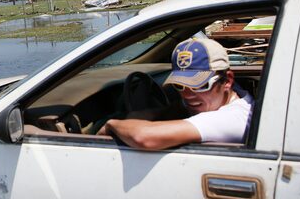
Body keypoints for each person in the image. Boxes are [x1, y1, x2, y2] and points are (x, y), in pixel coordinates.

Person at [99, 37, 254, 150]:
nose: (187, 95)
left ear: (227, 80)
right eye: (179, 85)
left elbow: (144, 137)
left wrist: (112, 124)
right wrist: (148, 115)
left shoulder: (232, 118)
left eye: (200, 85)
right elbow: (176, 108)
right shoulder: (233, 95)